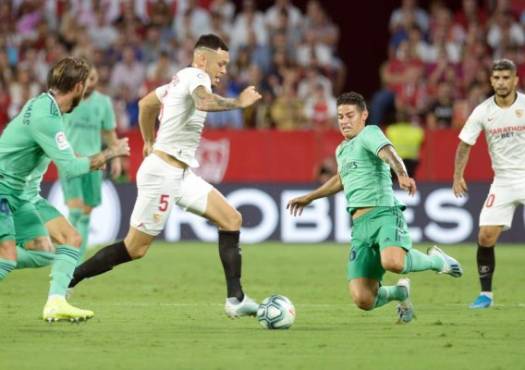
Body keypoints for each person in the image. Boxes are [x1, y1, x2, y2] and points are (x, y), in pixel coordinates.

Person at [68, 34, 262, 318]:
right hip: (162, 175)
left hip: (181, 173)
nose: (223, 70)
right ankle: (70, 277)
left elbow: (147, 103)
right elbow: (205, 103)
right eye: (220, 64)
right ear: (202, 59)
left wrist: (148, 140)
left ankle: (236, 299)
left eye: (226, 65)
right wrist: (238, 102)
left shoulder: (179, 80)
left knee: (231, 219)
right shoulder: (197, 77)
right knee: (135, 249)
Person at [287, 92, 463, 323]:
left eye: (350, 115)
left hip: (384, 213)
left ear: (364, 116)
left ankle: (437, 261)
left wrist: (401, 174)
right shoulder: (342, 149)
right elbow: (341, 180)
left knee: (393, 262)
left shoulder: (370, 133)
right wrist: (310, 197)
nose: (344, 121)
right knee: (363, 299)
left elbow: (389, 153)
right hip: (360, 226)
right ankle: (400, 293)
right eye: (340, 116)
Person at [0, 57, 130, 322]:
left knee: (55, 245)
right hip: (3, 190)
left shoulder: (44, 107)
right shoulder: (46, 116)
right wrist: (110, 154)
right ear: (79, 87)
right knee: (7, 258)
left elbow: (66, 156)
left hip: (23, 195)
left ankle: (56, 303)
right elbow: (70, 167)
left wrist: (94, 158)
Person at [453, 59, 525, 309]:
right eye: (497, 78)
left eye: (506, 78)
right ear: (491, 81)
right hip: (503, 181)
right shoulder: (483, 111)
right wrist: (457, 175)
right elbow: (465, 144)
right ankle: (486, 295)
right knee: (485, 236)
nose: (502, 82)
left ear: (516, 80)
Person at [60, 64, 122, 263]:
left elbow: (109, 133)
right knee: (76, 211)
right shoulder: (66, 99)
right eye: (87, 79)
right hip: (70, 162)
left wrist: (117, 158)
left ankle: (77, 260)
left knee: (86, 213)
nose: (91, 83)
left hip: (95, 162)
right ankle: (69, 255)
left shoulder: (103, 103)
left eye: (94, 79)